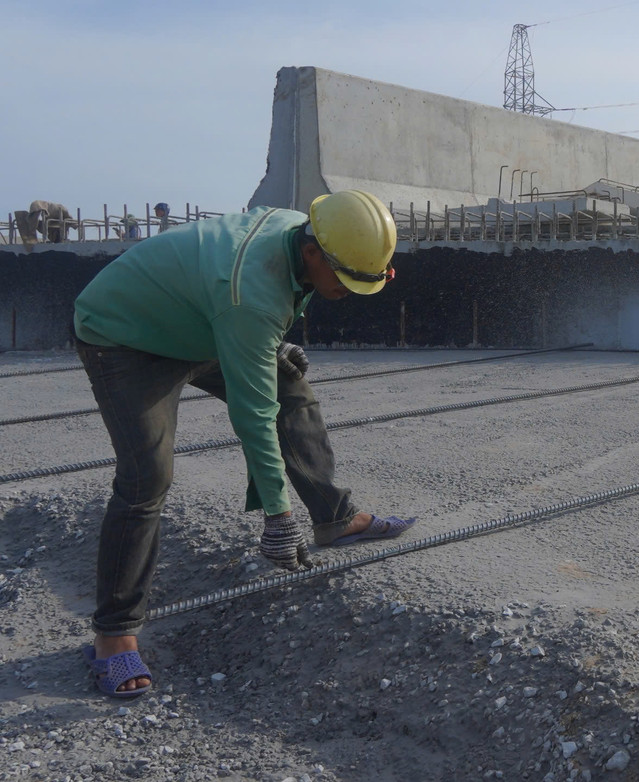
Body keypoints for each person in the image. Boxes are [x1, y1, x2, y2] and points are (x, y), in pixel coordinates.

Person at [72, 189, 415, 698]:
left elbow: (257, 307)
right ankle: (114, 634)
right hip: (126, 336)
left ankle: (335, 516)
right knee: (147, 475)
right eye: (341, 282)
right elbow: (254, 415)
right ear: (313, 253)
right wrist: (277, 517)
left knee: (291, 388)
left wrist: (271, 342)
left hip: (203, 321)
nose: (342, 293)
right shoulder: (249, 296)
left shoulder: (308, 228)